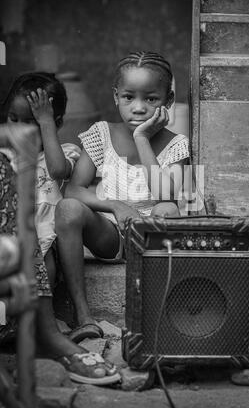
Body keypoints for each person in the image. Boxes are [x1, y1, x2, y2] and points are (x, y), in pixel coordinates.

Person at [55, 51, 190, 342]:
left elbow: (166, 194)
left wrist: (142, 138)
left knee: (167, 208)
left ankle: (159, 317)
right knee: (67, 208)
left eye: (151, 99)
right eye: (129, 97)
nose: (138, 108)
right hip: (110, 234)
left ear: (168, 101)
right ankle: (83, 317)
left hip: (153, 237)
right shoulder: (101, 134)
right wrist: (115, 205)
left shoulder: (177, 144)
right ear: (116, 97)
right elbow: (73, 189)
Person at [0, 72, 119, 385]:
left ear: (55, 123)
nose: (18, 129)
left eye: (30, 123)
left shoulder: (62, 152)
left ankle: (45, 327)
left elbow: (56, 170)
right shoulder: (3, 158)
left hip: (45, 246)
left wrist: (46, 123)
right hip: (11, 249)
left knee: (44, 263)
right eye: (12, 119)